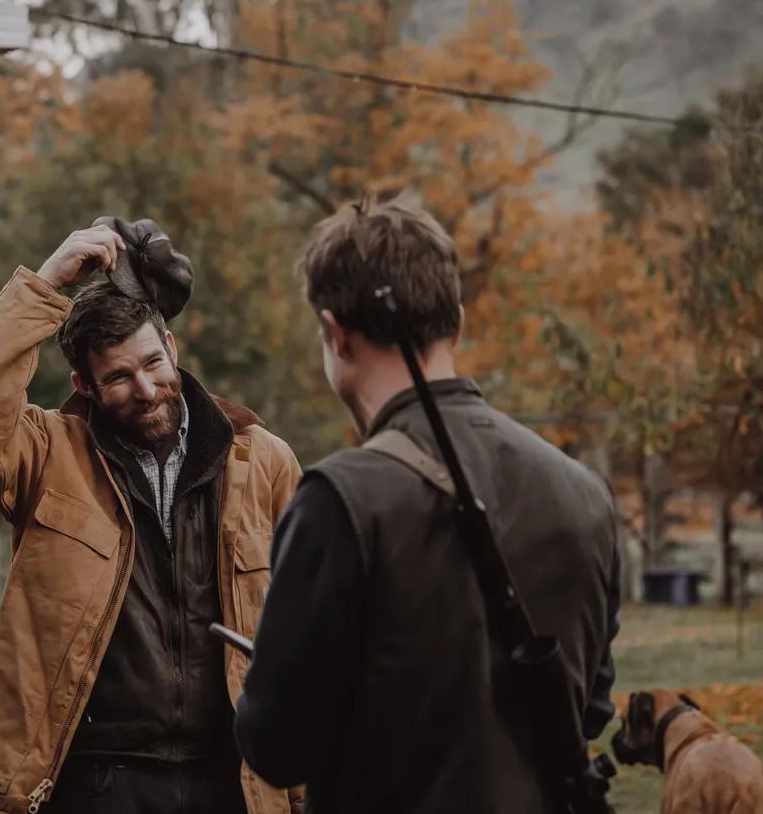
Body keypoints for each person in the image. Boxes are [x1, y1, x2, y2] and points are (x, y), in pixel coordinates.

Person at [234, 200, 621, 813]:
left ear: (335, 334)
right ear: (457, 323)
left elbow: (278, 746)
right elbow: (591, 706)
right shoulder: (586, 491)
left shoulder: (339, 499)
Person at [0, 219, 303, 814]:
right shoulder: (46, 455)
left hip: (234, 780)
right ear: (85, 384)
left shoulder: (263, 462)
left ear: (171, 348)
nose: (147, 389)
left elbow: (303, 627)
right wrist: (45, 286)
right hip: (97, 783)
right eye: (119, 377)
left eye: (153, 363)